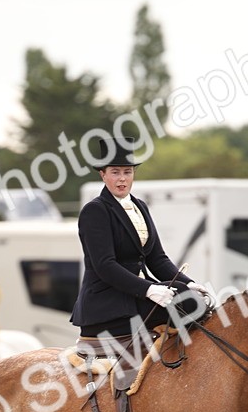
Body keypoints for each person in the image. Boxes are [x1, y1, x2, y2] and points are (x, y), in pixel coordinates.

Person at [70, 137, 209, 344]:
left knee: (193, 298)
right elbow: (105, 265)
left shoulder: (140, 206)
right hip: (106, 304)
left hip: (133, 298)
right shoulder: (95, 210)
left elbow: (158, 259)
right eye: (115, 172)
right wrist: (149, 289)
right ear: (103, 174)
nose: (122, 179)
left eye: (127, 172)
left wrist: (190, 283)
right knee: (183, 298)